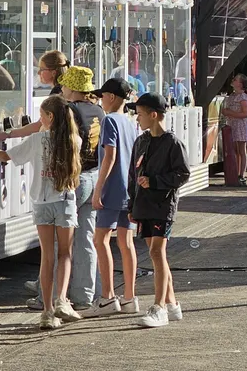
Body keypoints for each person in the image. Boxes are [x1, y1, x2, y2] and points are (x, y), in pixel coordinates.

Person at [0, 95, 81, 329]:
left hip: (41, 203)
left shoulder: (37, 140)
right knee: (65, 254)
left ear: (50, 117)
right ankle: (62, 300)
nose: (39, 121)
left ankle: (47, 311)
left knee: (47, 257)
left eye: (41, 116)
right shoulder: (74, 140)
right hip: (65, 200)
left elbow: (6, 157)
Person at [130, 93, 192, 328]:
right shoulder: (141, 141)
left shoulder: (172, 143)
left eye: (140, 114)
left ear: (153, 115)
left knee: (157, 252)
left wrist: (155, 182)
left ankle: (160, 307)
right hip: (144, 204)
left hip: (163, 205)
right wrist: (131, 203)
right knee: (156, 255)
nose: (137, 119)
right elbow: (133, 174)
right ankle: (172, 303)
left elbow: (183, 173)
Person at [88, 78, 141, 316]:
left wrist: (98, 189)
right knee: (126, 242)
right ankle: (130, 297)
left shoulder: (109, 120)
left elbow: (110, 156)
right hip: (129, 189)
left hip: (112, 188)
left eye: (102, 96)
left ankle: (108, 296)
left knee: (100, 240)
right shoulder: (130, 122)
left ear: (110, 97)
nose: (100, 100)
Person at [55, 66, 104, 310]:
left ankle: (53, 295)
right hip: (94, 177)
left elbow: (61, 143)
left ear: (72, 88)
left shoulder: (70, 111)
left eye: (64, 85)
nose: (62, 88)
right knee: (86, 239)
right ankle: (85, 295)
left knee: (60, 243)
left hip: (76, 179)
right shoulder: (98, 110)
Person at [221, 74, 247, 185]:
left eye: (235, 80)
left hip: (240, 126)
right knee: (234, 150)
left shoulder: (243, 97)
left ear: (240, 84)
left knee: (241, 150)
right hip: (232, 125)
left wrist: (230, 113)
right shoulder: (232, 96)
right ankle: (235, 172)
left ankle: (242, 174)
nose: (232, 81)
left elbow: (245, 113)